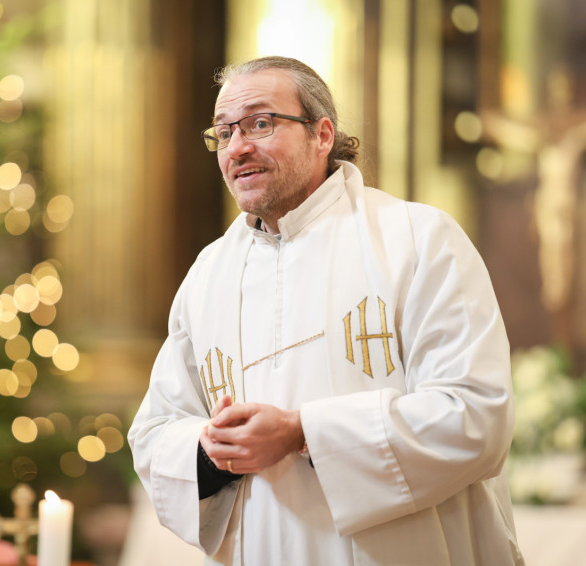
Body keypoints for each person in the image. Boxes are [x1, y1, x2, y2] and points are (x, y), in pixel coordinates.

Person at [127, 56, 524, 566]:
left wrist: (302, 433)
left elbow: (475, 417)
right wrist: (213, 452)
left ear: (322, 135)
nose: (237, 147)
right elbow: (156, 433)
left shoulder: (417, 240)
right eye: (224, 133)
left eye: (260, 123)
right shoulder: (208, 275)